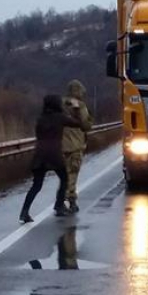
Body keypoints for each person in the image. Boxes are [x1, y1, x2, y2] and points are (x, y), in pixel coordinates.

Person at [20, 95, 82, 222]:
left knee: (36, 185)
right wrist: (76, 108)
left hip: (39, 154)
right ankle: (59, 206)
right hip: (54, 154)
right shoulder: (59, 118)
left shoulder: (40, 119)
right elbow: (78, 124)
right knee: (64, 179)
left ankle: (24, 212)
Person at [62, 80, 93, 213]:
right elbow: (86, 124)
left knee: (63, 173)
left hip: (60, 143)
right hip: (75, 144)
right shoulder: (79, 105)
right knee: (73, 173)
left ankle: (60, 201)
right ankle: (71, 200)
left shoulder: (60, 104)